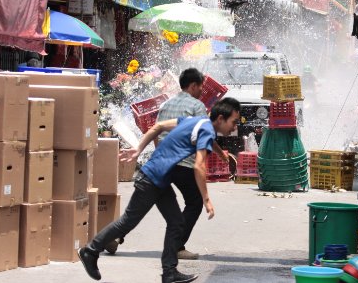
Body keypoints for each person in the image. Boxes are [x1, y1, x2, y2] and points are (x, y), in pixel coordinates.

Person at [78, 97, 241, 283]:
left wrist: (139, 149)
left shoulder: (196, 122)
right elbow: (199, 167)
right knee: (128, 221)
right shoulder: (207, 130)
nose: (235, 127)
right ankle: (90, 250)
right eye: (233, 122)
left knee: (176, 222)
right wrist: (206, 199)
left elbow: (159, 126)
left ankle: (169, 272)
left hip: (160, 179)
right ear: (220, 118)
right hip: (151, 179)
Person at [105, 68, 229, 260]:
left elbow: (156, 130)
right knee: (195, 202)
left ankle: (115, 235)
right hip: (184, 163)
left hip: (163, 161)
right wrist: (221, 155)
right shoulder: (197, 107)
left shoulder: (165, 104)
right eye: (200, 88)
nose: (201, 92)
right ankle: (178, 246)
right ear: (193, 86)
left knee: (143, 205)